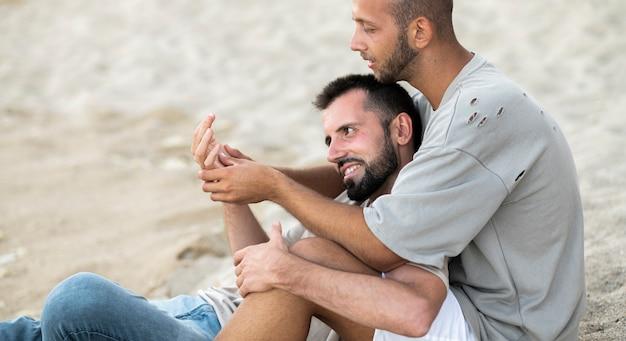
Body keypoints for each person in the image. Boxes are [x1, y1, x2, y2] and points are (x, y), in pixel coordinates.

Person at [197, 0, 586, 340]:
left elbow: (385, 246)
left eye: (368, 27)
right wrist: (252, 177)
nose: (355, 42)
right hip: (462, 307)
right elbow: (361, 168)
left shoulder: (478, 114)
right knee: (307, 257)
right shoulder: (436, 103)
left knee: (302, 266)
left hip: (503, 329)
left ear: (419, 31)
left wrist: (275, 186)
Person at [0, 75, 445, 341]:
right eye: (329, 139)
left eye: (348, 131)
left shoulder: (409, 218)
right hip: (207, 309)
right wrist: (229, 189)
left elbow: (412, 310)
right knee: (25, 331)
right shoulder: (351, 190)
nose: (334, 152)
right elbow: (252, 278)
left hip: (221, 331)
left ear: (401, 128)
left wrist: (272, 187)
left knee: (76, 302)